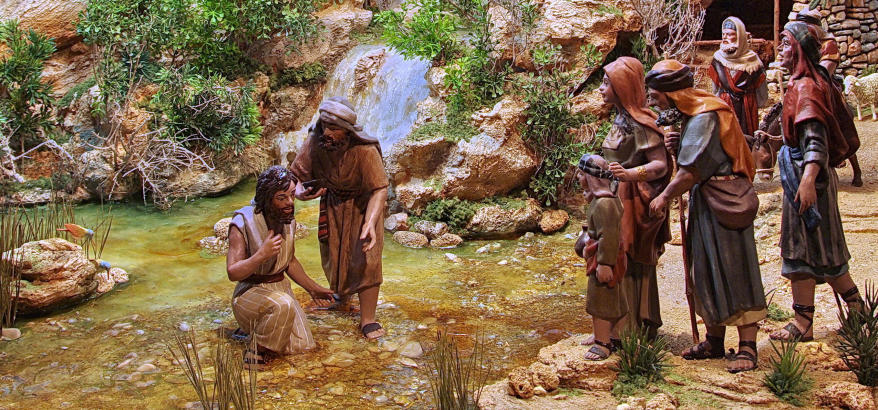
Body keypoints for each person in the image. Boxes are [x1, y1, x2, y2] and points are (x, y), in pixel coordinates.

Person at [645, 60, 766, 373]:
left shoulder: (705, 117)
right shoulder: (693, 117)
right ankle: (714, 339)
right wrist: (678, 144)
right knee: (706, 270)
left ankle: (748, 345)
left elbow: (691, 171)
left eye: (656, 97)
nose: (654, 103)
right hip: (707, 204)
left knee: (734, 269)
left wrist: (664, 196)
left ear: (673, 94)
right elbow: (694, 159)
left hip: (725, 204)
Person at [769, 22, 863, 343]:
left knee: (804, 252)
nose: (780, 49)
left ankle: (803, 322)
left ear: (798, 49)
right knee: (820, 251)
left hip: (807, 180)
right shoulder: (805, 83)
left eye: (785, 44)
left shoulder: (806, 88)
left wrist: (807, 180)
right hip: (805, 177)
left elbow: (815, 141)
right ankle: (856, 309)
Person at [291, 97, 389, 340]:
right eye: (325, 126)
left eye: (334, 128)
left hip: (363, 207)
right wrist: (300, 192)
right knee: (333, 256)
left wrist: (370, 223)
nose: (328, 132)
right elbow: (295, 176)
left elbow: (379, 189)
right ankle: (341, 297)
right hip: (332, 205)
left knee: (367, 260)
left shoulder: (365, 151)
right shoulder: (315, 142)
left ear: (347, 131)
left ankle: (368, 318)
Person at [227, 166, 335, 368]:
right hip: (250, 292)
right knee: (282, 304)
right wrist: (261, 255)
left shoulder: (287, 220)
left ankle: (254, 331)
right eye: (282, 198)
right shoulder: (242, 222)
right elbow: (233, 272)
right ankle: (256, 352)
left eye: (292, 195)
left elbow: (289, 261)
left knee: (302, 346)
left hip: (280, 289)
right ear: (267, 198)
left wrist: (313, 289)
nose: (290, 202)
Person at [599, 57, 670, 339]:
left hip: (631, 201)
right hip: (613, 196)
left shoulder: (642, 124)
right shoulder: (619, 119)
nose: (601, 89)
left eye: (607, 83)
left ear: (622, 86)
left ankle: (633, 327)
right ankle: (612, 325)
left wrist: (629, 174)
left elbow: (660, 165)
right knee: (610, 253)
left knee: (627, 257)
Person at [795, 7, 863, 187]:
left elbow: (824, 72)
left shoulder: (828, 44)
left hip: (825, 87)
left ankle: (856, 169)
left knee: (840, 123)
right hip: (806, 85)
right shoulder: (801, 41)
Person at [575, 155, 627, 361]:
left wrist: (604, 263)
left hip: (605, 259)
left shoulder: (604, 204)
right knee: (613, 297)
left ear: (592, 178)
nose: (578, 178)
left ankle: (603, 343)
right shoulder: (603, 200)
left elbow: (609, 236)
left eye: (581, 174)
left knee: (601, 301)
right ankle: (611, 336)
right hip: (603, 256)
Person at [707, 16, 769, 137]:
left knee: (747, 140)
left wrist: (752, 103)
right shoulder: (718, 60)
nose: (725, 37)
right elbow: (715, 91)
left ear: (739, 36)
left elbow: (762, 96)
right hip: (725, 107)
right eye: (723, 34)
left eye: (730, 34)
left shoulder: (753, 61)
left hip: (747, 109)